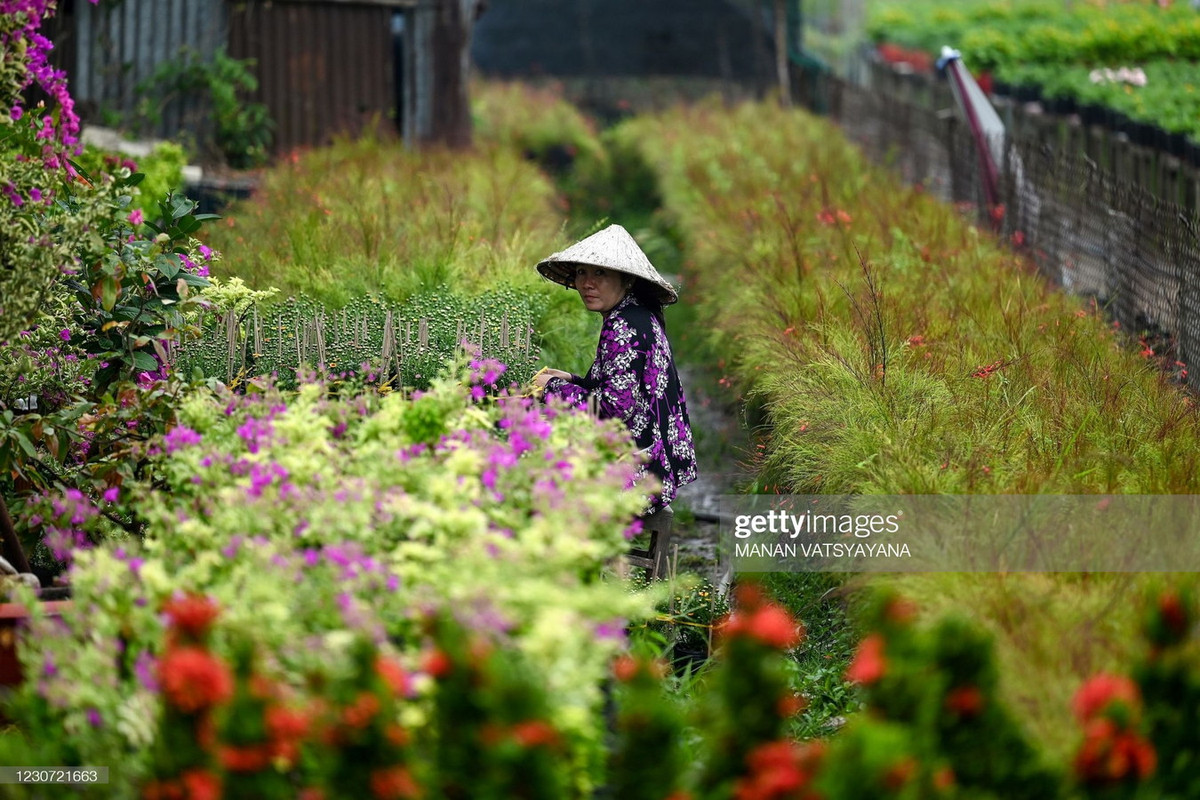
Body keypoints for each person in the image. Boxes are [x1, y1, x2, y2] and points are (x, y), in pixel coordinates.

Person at [532, 224, 697, 514]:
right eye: (582, 272)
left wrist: (551, 389)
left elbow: (613, 408)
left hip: (636, 475)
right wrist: (569, 379)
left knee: (531, 472)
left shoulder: (625, 325)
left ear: (627, 280)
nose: (587, 283)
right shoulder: (635, 314)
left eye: (600, 273)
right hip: (650, 465)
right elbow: (618, 389)